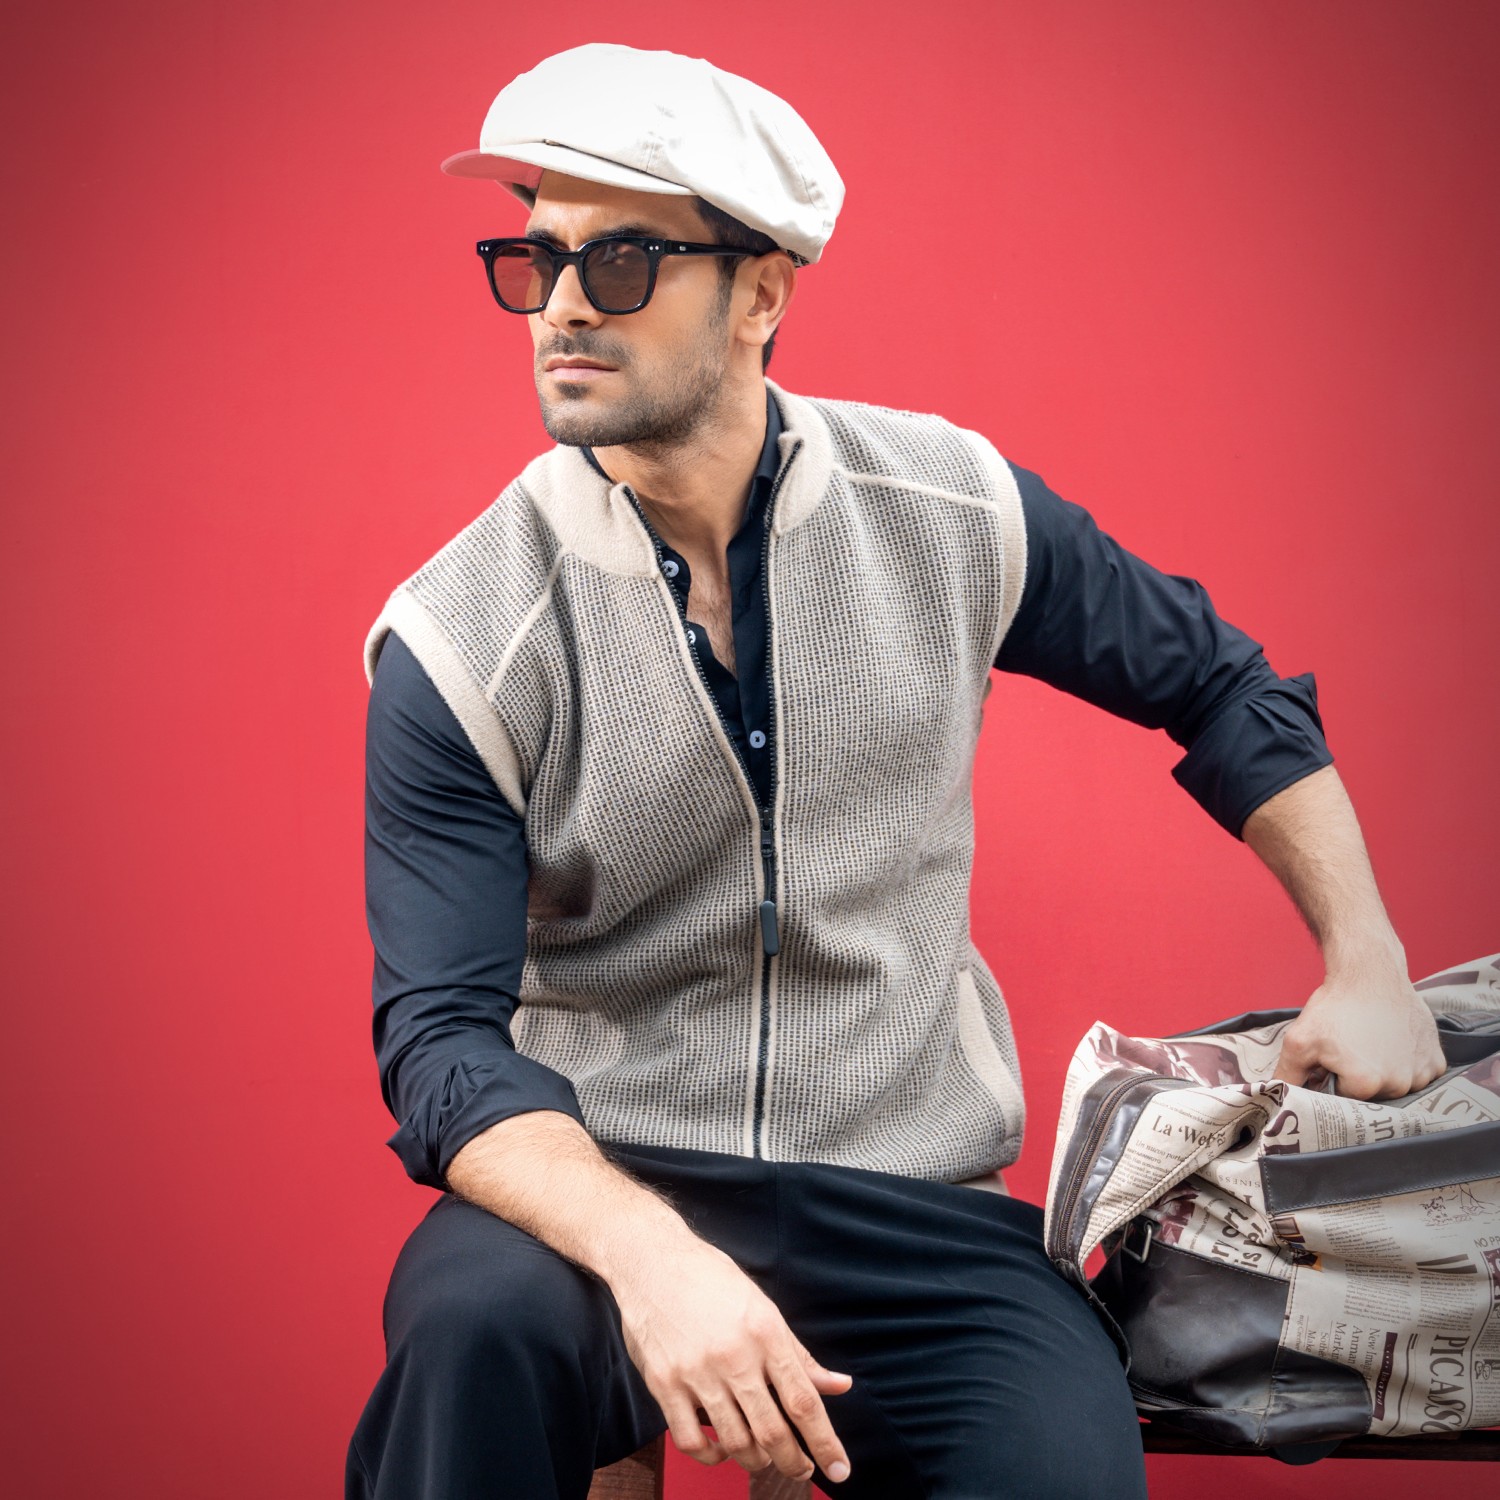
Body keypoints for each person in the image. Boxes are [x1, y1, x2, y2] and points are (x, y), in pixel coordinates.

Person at [345, 42, 1446, 1500]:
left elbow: (1220, 683)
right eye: (535, 259)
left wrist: (1365, 962)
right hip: (601, 1192)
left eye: (618, 262)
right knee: (473, 1329)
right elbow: (440, 1048)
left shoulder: (950, 505)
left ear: (761, 293)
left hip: (909, 1204)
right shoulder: (461, 636)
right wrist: (655, 1260)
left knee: (1060, 1472)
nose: (561, 306)